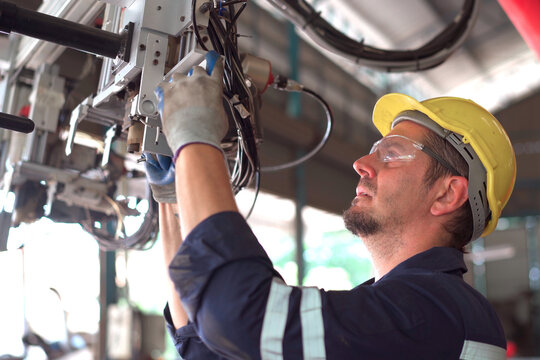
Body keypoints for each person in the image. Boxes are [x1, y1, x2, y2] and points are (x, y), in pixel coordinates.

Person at [144, 56, 516, 359]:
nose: (363, 163)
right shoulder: (400, 311)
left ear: (447, 195)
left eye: (392, 153)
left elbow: (242, 319)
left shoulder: (437, 313)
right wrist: (175, 196)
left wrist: (195, 138)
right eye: (374, 150)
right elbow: (209, 343)